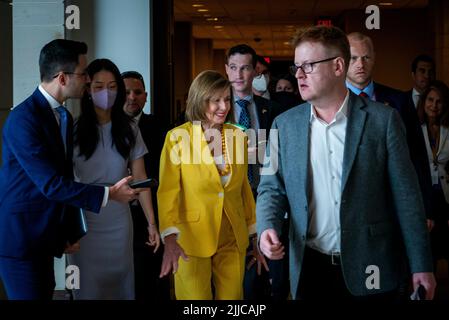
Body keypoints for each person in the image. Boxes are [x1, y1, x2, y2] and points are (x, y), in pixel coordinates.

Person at [257, 25, 436, 300]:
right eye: (297, 67)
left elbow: (407, 197)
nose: (299, 75)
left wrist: (421, 265)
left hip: (372, 265)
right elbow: (270, 187)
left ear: (338, 66)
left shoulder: (383, 121)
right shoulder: (284, 125)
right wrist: (267, 226)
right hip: (310, 266)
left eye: (309, 66)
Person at [0, 40, 140, 300]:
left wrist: (67, 231)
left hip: (45, 237)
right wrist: (109, 194)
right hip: (21, 241)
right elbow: (51, 184)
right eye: (83, 74)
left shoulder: (63, 116)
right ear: (62, 78)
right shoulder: (23, 119)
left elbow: (65, 177)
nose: (87, 80)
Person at [158, 70, 256, 299]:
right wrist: (169, 237)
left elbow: (244, 189)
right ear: (200, 101)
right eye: (216, 100)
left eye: (227, 99)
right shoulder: (177, 138)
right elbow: (167, 193)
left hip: (232, 236)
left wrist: (254, 232)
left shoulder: (239, 136)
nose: (224, 106)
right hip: (191, 238)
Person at [67, 59, 159, 299]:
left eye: (111, 86)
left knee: (121, 285)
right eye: (98, 87)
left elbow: (140, 178)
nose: (105, 93)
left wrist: (151, 223)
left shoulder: (129, 128)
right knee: (87, 287)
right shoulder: (73, 129)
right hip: (86, 219)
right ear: (87, 90)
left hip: (119, 219)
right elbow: (65, 183)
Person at [346, 32, 434, 229]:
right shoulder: (332, 103)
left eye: (366, 57)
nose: (360, 64)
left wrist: (426, 208)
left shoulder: (399, 101)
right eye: (353, 58)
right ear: (342, 59)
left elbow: (418, 155)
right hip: (349, 208)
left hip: (394, 206)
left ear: (374, 58)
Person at [225, 44, 288, 300]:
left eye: (246, 68)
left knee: (266, 277)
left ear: (255, 71)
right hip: (229, 202)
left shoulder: (271, 110)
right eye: (233, 68)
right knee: (234, 277)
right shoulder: (217, 109)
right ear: (226, 70)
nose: (239, 74)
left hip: (263, 196)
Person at [121, 70, 170, 300]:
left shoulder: (163, 129)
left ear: (146, 96)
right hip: (114, 214)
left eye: (137, 92)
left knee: (152, 279)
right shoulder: (101, 127)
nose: (132, 97)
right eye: (126, 92)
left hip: (153, 213)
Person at [417, 80, 449, 273]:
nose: (434, 105)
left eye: (439, 101)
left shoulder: (447, 129)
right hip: (425, 197)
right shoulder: (415, 129)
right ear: (423, 101)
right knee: (429, 250)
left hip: (445, 196)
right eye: (430, 100)